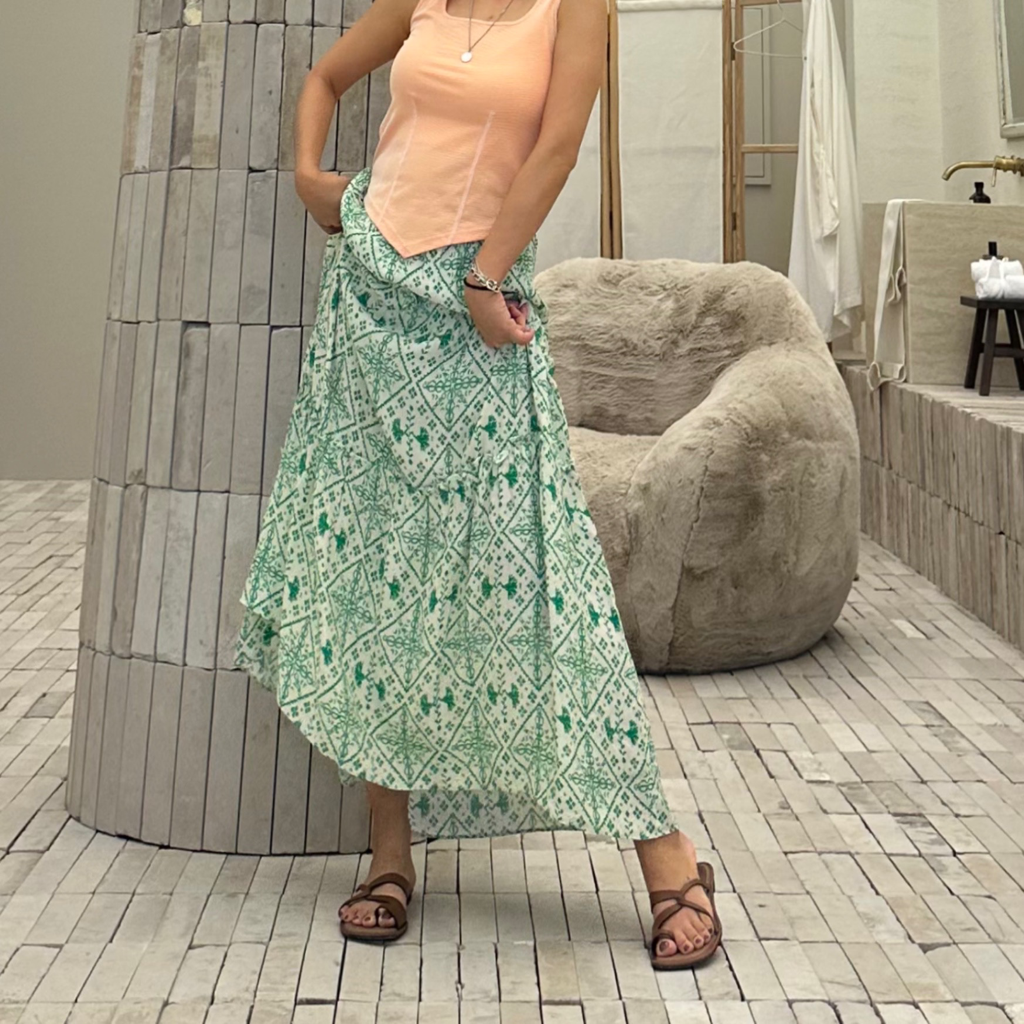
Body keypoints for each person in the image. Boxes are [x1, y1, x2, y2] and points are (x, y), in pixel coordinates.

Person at [233, 0, 722, 971]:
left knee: (544, 584)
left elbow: (557, 147)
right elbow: (326, 78)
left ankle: (667, 855)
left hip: (477, 313)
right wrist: (309, 175)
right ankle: (389, 856)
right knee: (377, 578)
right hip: (369, 306)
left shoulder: (574, 8)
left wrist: (484, 277)